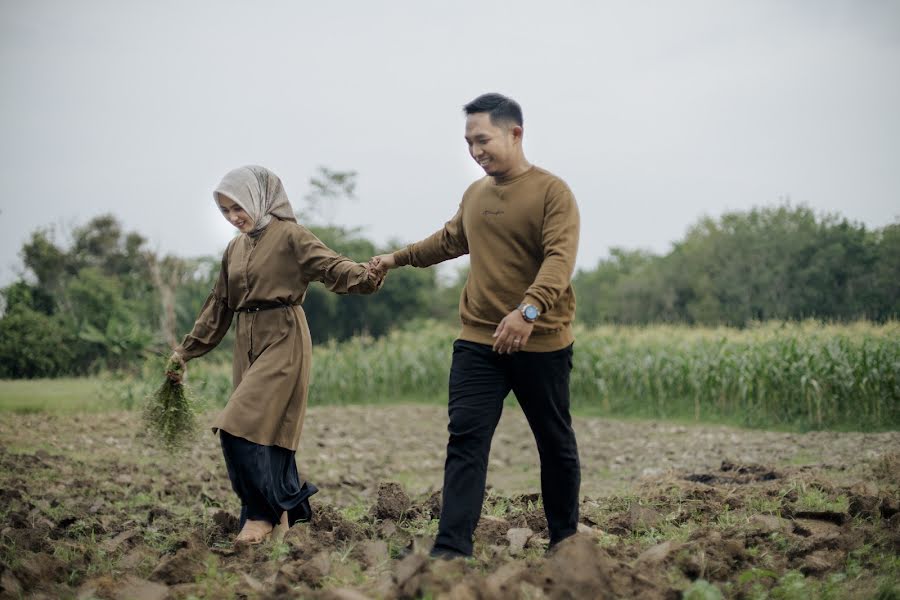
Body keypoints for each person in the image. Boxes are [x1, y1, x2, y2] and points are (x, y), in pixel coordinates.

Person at [371, 93, 581, 558]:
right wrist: (396, 259)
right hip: (479, 341)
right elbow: (449, 241)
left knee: (554, 440)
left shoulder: (552, 192)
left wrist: (528, 311)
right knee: (466, 439)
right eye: (468, 143)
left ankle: (565, 542)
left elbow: (559, 259)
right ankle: (451, 550)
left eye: (482, 140)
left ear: (515, 133)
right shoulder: (476, 194)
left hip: (541, 341)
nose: (475, 151)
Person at [167, 165, 384, 545]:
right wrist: (185, 351)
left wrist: (366, 274)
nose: (234, 218)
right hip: (245, 340)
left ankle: (260, 515)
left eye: (238, 207)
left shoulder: (290, 236)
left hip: (283, 336)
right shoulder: (235, 248)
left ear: (259, 198)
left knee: (237, 427)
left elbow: (330, 266)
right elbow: (219, 305)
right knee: (265, 433)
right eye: (225, 211)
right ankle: (287, 513)